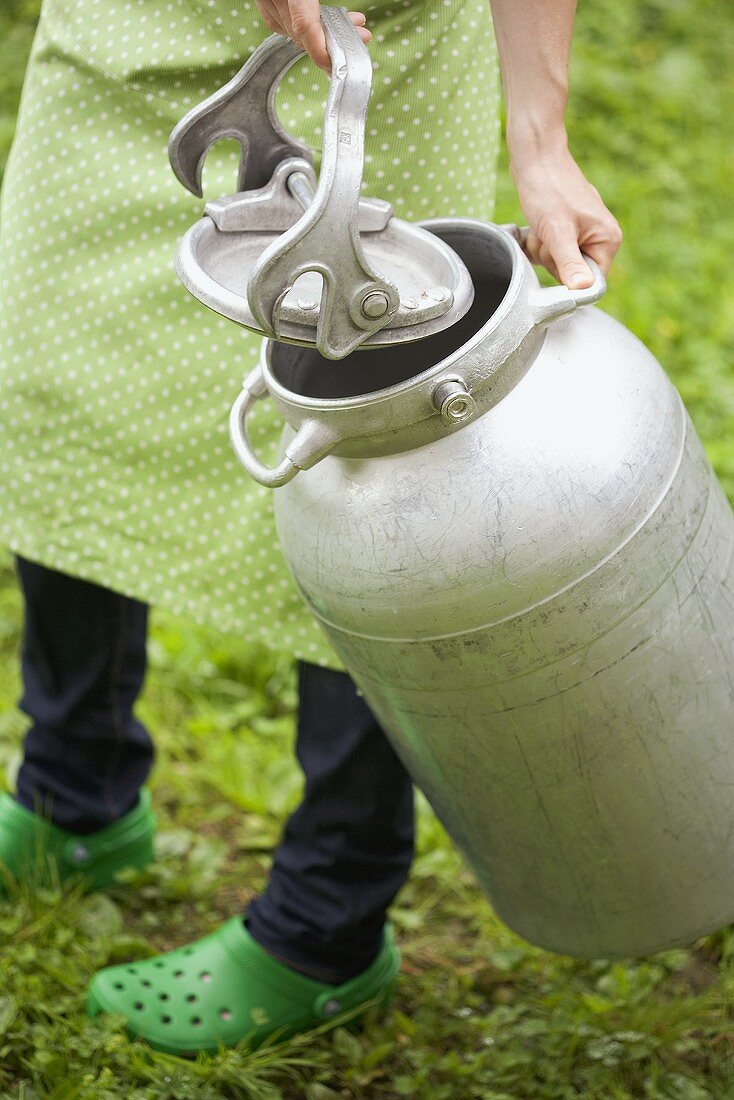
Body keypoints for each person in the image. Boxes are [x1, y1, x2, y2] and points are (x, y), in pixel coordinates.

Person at [0, 0, 621, 1054]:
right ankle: (74, 789)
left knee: (369, 459)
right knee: (55, 380)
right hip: (125, 33)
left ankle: (325, 919)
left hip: (375, 51)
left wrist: (542, 140)